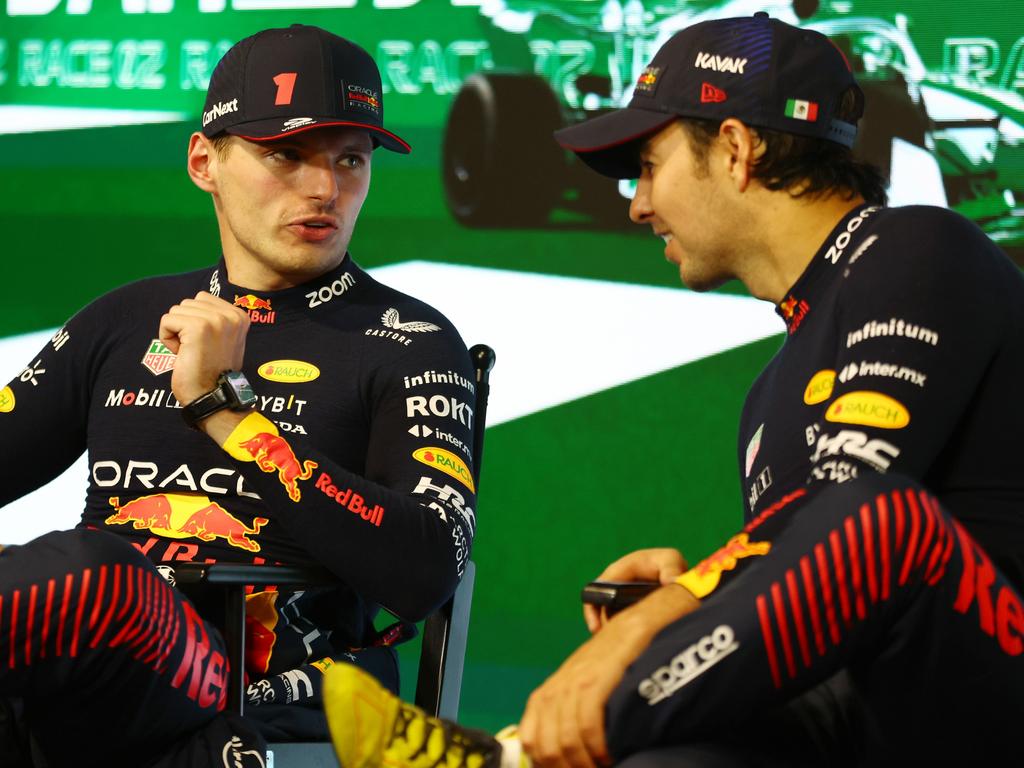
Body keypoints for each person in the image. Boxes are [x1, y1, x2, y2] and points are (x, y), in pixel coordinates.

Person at [320, 12, 1024, 768]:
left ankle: (507, 761)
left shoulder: (917, 245)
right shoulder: (769, 391)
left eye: (649, 165)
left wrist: (665, 613)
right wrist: (698, 599)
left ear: (735, 148)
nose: (636, 203)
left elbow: (856, 508)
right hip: (887, 722)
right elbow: (816, 573)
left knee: (875, 517)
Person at [0, 23, 478, 767]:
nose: (325, 188)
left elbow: (428, 565)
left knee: (101, 578)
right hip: (90, 676)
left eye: (350, 160)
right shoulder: (124, 318)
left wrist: (227, 412)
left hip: (256, 680)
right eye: (286, 155)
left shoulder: (410, 340)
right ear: (204, 162)